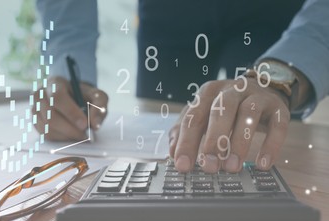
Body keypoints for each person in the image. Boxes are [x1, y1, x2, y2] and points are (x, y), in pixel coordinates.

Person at [34, 0, 329, 173]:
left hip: (278, 12)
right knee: (166, 158)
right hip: (170, 12)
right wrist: (67, 66)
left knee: (265, 141)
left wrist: (283, 73)